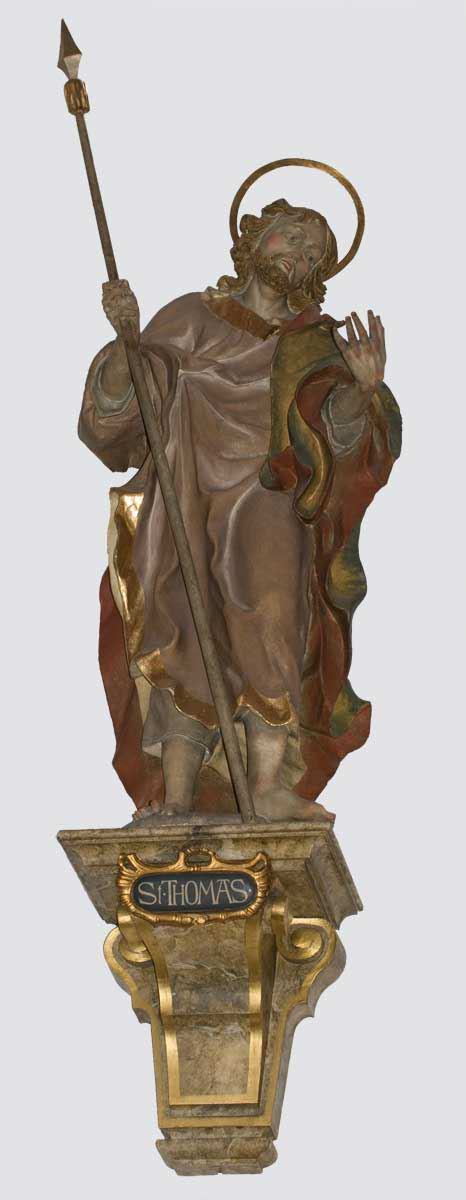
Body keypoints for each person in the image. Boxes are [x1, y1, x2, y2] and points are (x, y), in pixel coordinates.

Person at [79, 199, 401, 821]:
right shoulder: (191, 316)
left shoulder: (312, 346)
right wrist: (125, 344)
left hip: (269, 500)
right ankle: (176, 796)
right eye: (291, 237)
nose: (300, 255)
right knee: (183, 625)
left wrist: (361, 393)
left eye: (314, 253)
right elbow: (128, 409)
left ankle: (267, 785)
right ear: (255, 239)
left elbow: (338, 441)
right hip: (187, 494)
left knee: (273, 618)